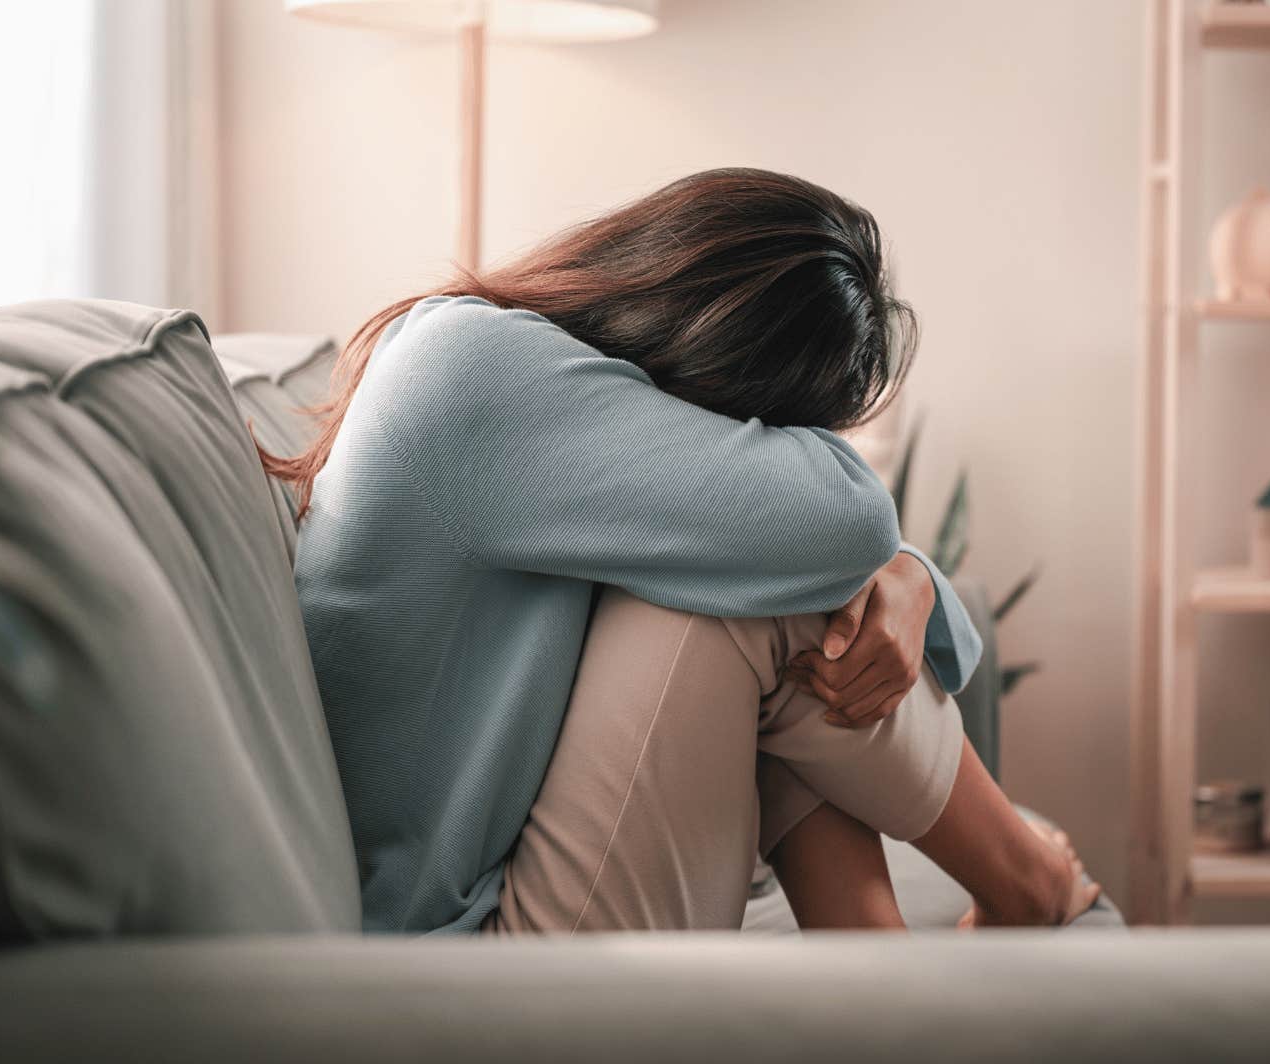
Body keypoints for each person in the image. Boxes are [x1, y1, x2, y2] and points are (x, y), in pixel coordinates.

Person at [262, 167, 1099, 934]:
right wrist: (896, 565)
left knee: (751, 581)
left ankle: (888, 984)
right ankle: (1025, 884)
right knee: (755, 604)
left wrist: (910, 578)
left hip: (496, 902)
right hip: (450, 971)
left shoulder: (511, 375)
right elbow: (838, 522)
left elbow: (816, 532)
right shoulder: (472, 374)